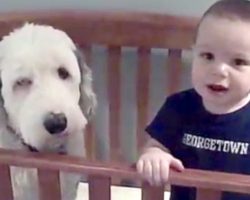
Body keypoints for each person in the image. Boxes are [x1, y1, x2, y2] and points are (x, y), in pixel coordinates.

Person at [136, 0, 250, 199]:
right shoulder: (179, 107)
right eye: (207, 56)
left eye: (238, 61)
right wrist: (154, 156)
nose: (219, 70)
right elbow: (155, 145)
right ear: (194, 52)